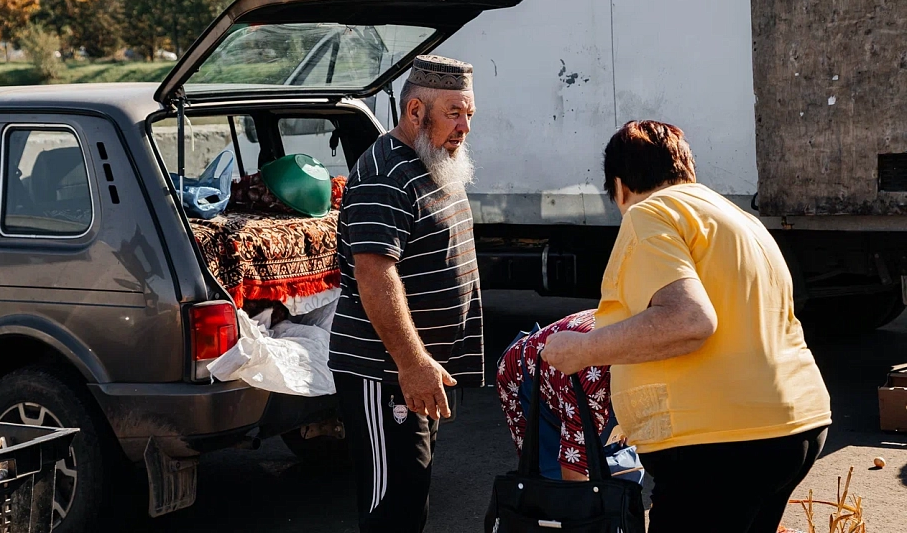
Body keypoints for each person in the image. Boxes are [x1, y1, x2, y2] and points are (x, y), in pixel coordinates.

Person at [542, 120, 832, 533]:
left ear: (620, 187)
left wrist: (580, 350)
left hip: (719, 444)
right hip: (797, 424)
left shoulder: (648, 214)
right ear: (686, 171)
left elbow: (689, 320)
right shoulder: (738, 219)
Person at [329, 55, 482, 533]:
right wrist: (412, 363)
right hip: (384, 374)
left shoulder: (433, 162)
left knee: (411, 499)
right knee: (392, 512)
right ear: (415, 111)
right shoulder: (384, 172)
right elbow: (375, 275)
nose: (463, 128)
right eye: (453, 114)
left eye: (469, 115)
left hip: (413, 372)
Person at [496, 310, 616, 481]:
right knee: (550, 481)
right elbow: (573, 466)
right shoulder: (593, 379)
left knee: (615, 464)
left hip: (574, 376)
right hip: (523, 376)